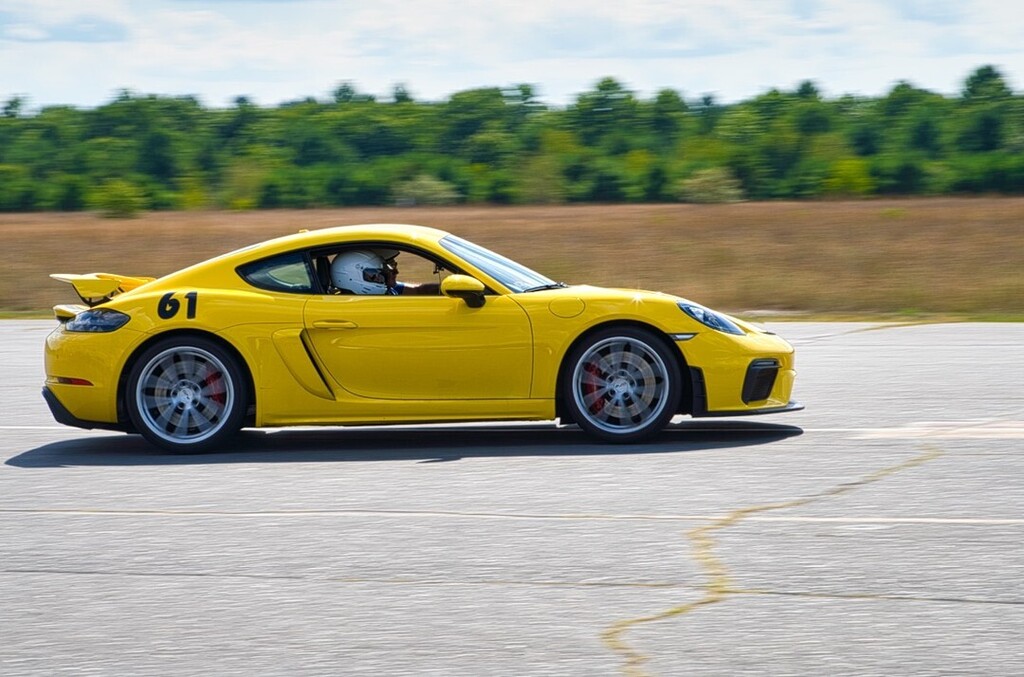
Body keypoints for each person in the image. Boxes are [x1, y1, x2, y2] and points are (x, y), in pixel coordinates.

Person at [329, 249, 439, 295]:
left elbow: (419, 291)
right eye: (380, 274)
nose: (396, 273)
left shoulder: (387, 290)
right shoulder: (361, 306)